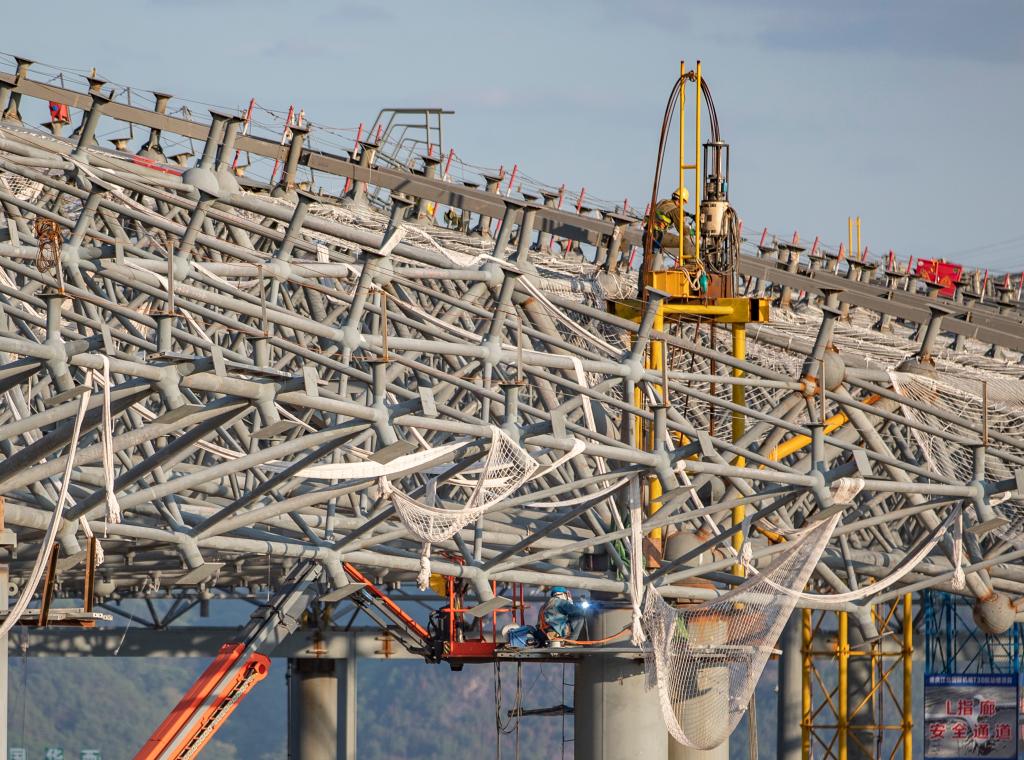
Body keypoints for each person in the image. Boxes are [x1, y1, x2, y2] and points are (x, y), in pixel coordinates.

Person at [649, 187, 697, 264]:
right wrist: (693, 232)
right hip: (658, 236)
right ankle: (692, 265)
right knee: (685, 242)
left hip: (648, 234)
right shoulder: (675, 210)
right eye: (684, 202)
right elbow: (682, 230)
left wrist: (690, 215)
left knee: (647, 263)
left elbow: (677, 211)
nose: (683, 205)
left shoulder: (664, 202)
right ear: (681, 200)